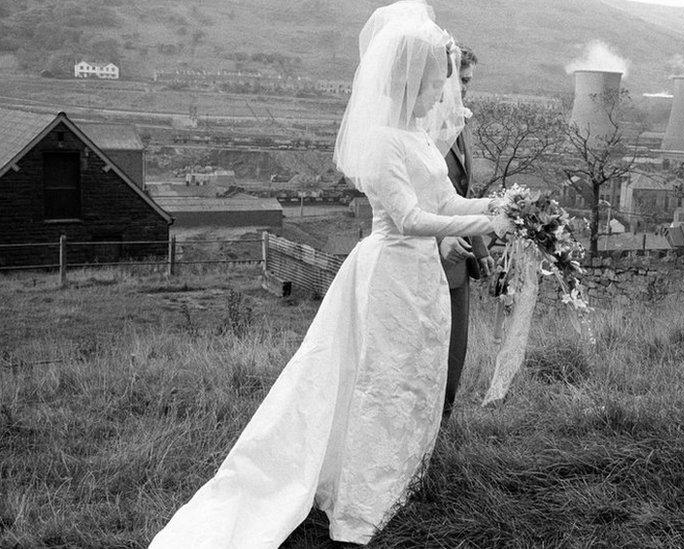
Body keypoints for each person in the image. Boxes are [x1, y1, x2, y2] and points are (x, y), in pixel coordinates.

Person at [148, 2, 509, 547]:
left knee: (412, 375)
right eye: (438, 83)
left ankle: (400, 475)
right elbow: (410, 218)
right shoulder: (383, 139)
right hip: (389, 273)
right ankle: (360, 499)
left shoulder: (414, 134)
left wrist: (504, 204)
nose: (444, 94)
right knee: (380, 381)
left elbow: (447, 197)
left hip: (423, 280)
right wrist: (490, 219)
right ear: (412, 79)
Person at [439, 45, 493, 420]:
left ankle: (445, 415)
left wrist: (481, 247)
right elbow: (420, 197)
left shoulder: (463, 122)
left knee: (457, 345)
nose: (466, 88)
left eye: (469, 80)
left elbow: (462, 194)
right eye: (461, 79)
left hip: (460, 251)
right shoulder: (422, 124)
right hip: (430, 252)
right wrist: (441, 237)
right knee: (434, 347)